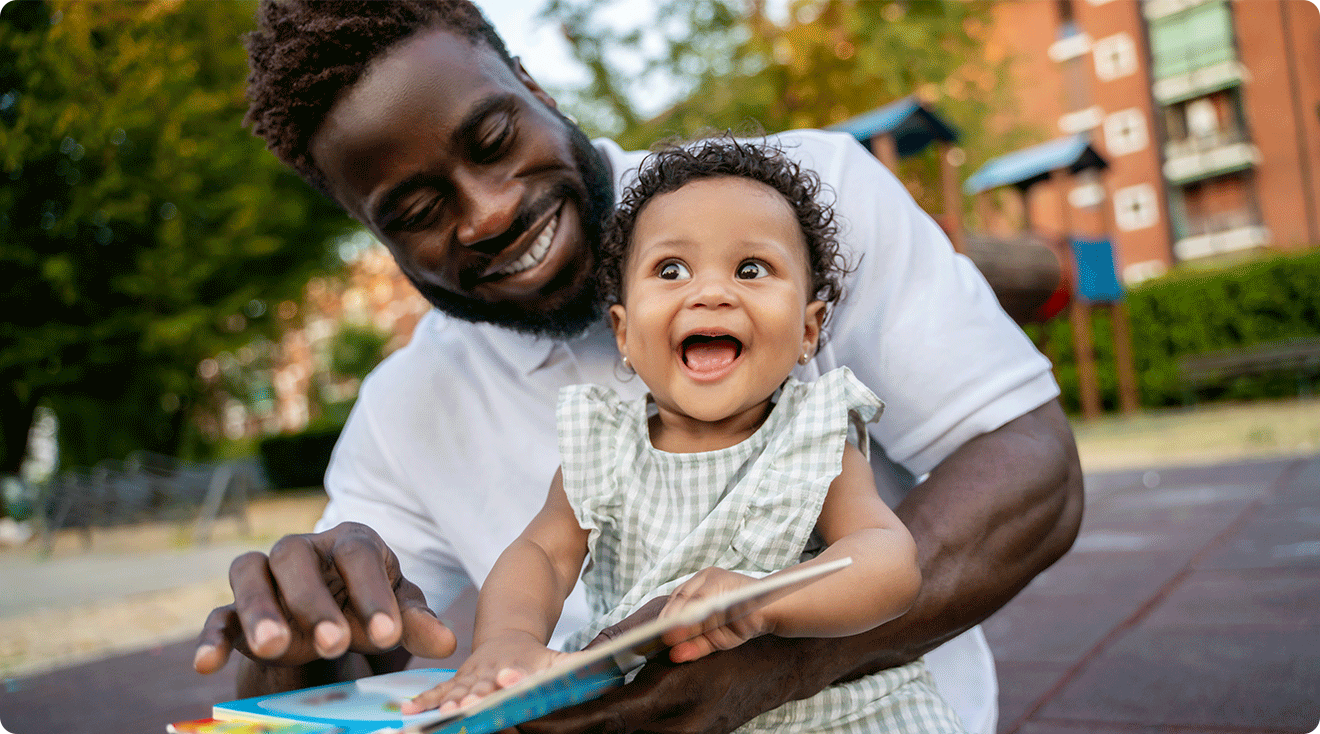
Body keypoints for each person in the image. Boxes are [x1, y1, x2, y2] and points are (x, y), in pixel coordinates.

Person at [193, 3, 1085, 733]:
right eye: (417, 210)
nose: (490, 212)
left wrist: (763, 660)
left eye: (495, 138)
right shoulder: (413, 410)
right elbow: (403, 625)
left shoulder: (801, 212)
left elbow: (1029, 469)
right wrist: (301, 637)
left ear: (536, 88)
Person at [401, 137, 964, 734]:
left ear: (807, 329)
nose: (711, 292)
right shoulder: (604, 448)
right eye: (671, 270)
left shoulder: (811, 436)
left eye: (752, 269)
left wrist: (766, 599)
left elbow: (889, 562)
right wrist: (509, 640)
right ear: (622, 331)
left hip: (839, 713)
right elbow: (541, 553)